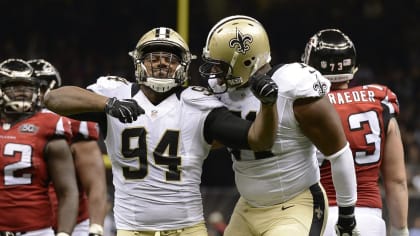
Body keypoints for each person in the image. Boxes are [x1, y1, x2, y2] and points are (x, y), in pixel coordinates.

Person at [43, 27, 278, 236]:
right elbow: (54, 98)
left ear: (184, 66)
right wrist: (107, 104)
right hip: (131, 228)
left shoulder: (198, 103)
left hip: (187, 228)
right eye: (154, 58)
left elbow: (258, 139)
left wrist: (268, 105)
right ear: (138, 63)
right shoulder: (116, 93)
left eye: (171, 59)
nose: (163, 63)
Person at [199, 15, 359, 236]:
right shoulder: (223, 91)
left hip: (293, 206)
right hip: (247, 206)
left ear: (245, 61)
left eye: (221, 64)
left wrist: (347, 215)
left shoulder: (293, 86)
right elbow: (209, 141)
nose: (215, 72)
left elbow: (339, 152)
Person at [302, 28, 409, 236]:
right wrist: (400, 229)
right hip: (369, 219)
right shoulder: (379, 103)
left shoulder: (303, 106)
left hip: (315, 218)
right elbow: (396, 180)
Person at [28, 59, 108, 236]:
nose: (26, 93)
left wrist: (95, 227)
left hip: (72, 223)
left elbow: (95, 184)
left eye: (36, 87)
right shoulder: (8, 125)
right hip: (26, 223)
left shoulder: (72, 124)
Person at [0, 58, 79, 236]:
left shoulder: (48, 125)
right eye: (14, 86)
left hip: (36, 230)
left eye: (27, 86)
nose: (23, 92)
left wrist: (64, 233)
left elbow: (68, 191)